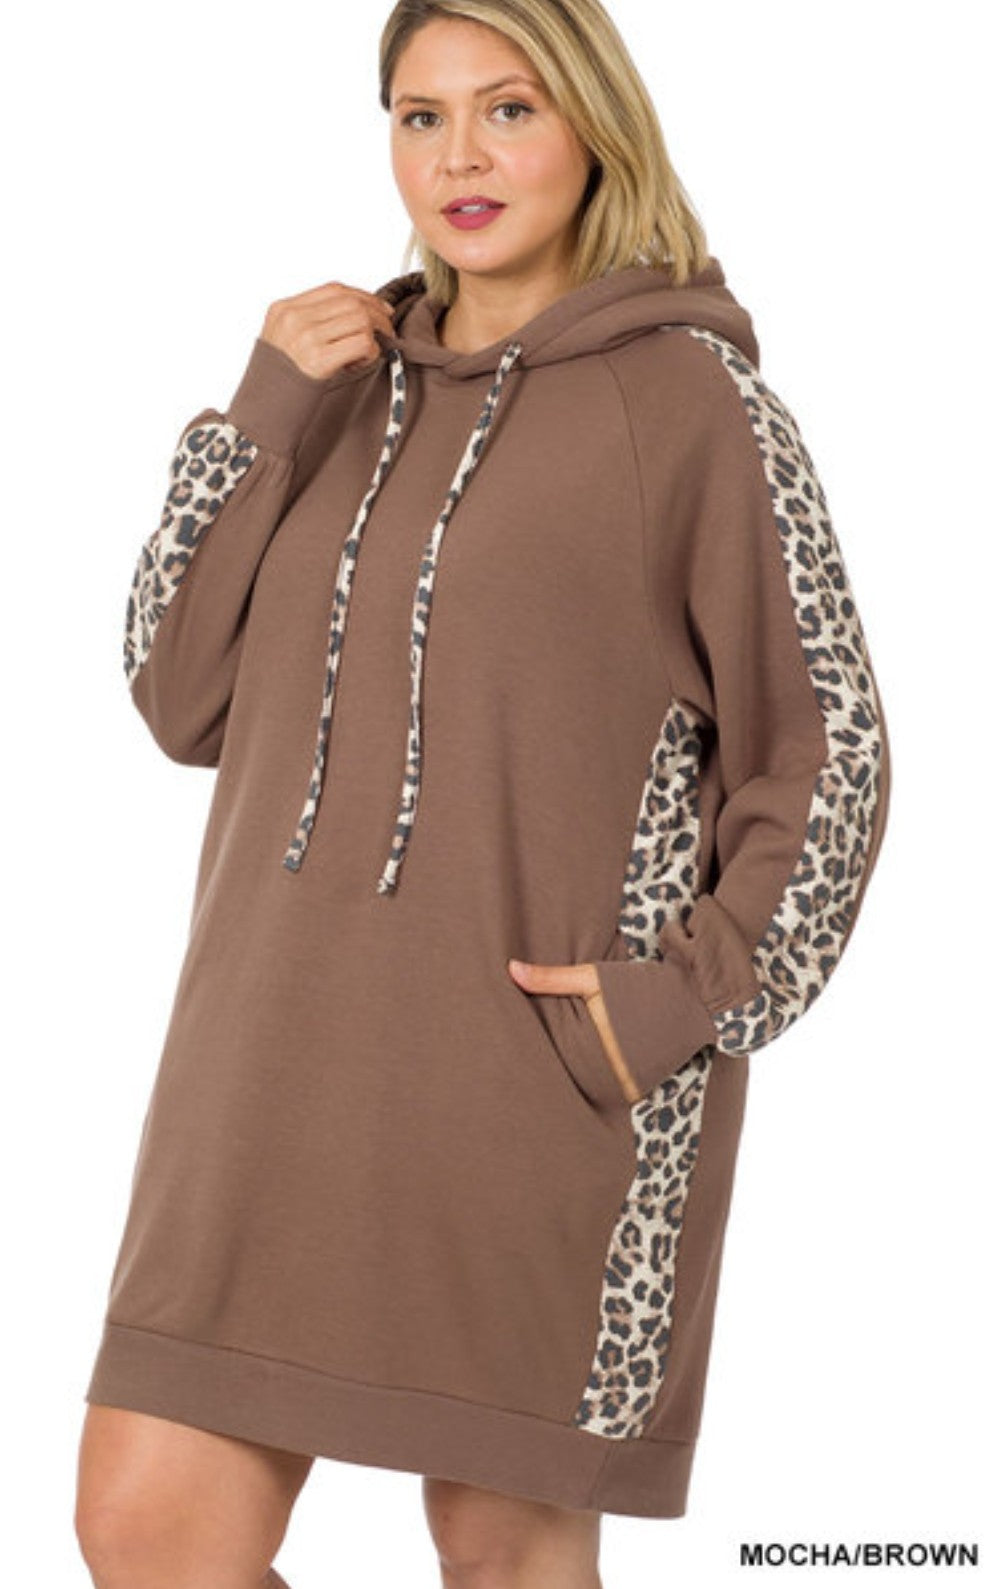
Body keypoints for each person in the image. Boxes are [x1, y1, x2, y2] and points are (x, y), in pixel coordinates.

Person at [74, 1, 891, 1584]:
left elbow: (829, 749)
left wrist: (672, 1005)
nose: (461, 156)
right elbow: (177, 694)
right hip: (262, 1068)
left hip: (538, 1091)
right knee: (145, 1520)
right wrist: (262, 411)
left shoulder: (694, 403)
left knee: (502, 1550)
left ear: (594, 126)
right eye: (421, 115)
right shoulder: (329, 391)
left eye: (509, 109)